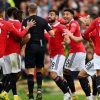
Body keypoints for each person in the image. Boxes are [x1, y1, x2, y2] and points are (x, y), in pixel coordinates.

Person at [0, 7, 35, 100]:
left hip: (5, 54)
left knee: (10, 75)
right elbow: (20, 37)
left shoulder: (6, 23)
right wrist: (27, 27)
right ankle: (5, 92)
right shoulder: (16, 23)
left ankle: (15, 96)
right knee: (17, 74)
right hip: (14, 52)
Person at [22, 3, 55, 100]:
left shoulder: (25, 21)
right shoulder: (43, 20)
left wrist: (22, 45)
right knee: (39, 69)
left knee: (30, 71)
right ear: (37, 10)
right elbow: (52, 34)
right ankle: (39, 90)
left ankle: (31, 95)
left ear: (28, 10)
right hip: (41, 46)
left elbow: (27, 36)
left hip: (31, 46)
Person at [65, 14, 100, 100]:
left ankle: (91, 97)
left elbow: (77, 40)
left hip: (98, 56)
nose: (85, 19)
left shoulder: (92, 30)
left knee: (81, 75)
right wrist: (87, 24)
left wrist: (69, 33)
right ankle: (94, 96)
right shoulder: (95, 28)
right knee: (95, 76)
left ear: (92, 20)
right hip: (97, 55)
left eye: (87, 18)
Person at [62, 8, 93, 100]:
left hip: (76, 52)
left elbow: (71, 32)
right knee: (83, 75)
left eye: (67, 14)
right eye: (64, 14)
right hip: (80, 52)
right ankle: (89, 97)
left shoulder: (73, 23)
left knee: (66, 71)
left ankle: (73, 95)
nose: (65, 16)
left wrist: (67, 36)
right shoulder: (69, 24)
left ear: (72, 15)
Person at [47, 9, 71, 100]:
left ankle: (67, 94)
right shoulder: (49, 28)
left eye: (52, 14)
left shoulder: (61, 27)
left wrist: (66, 41)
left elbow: (67, 39)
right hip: (52, 55)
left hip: (59, 54)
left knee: (53, 74)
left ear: (57, 17)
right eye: (49, 14)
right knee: (60, 77)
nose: (50, 16)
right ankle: (69, 95)